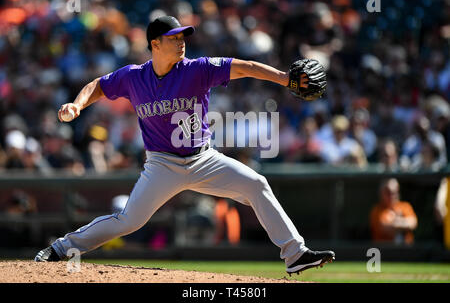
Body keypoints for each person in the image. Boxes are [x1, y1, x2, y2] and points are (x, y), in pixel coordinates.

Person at [34, 16, 334, 274]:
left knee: (256, 183)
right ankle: (61, 248)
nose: (181, 42)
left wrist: (284, 78)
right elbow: (98, 85)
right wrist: (77, 105)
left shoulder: (197, 68)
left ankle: (295, 254)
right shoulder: (133, 77)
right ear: (154, 44)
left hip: (204, 159)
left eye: (183, 37)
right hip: (161, 164)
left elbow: (245, 67)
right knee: (128, 221)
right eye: (173, 37)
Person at [370, 178, 418, 245]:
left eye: (394, 192)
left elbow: (413, 224)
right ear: (381, 193)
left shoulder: (405, 206)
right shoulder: (377, 210)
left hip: (406, 250)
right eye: (388, 192)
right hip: (385, 251)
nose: (392, 195)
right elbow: (385, 228)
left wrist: (394, 221)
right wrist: (403, 222)